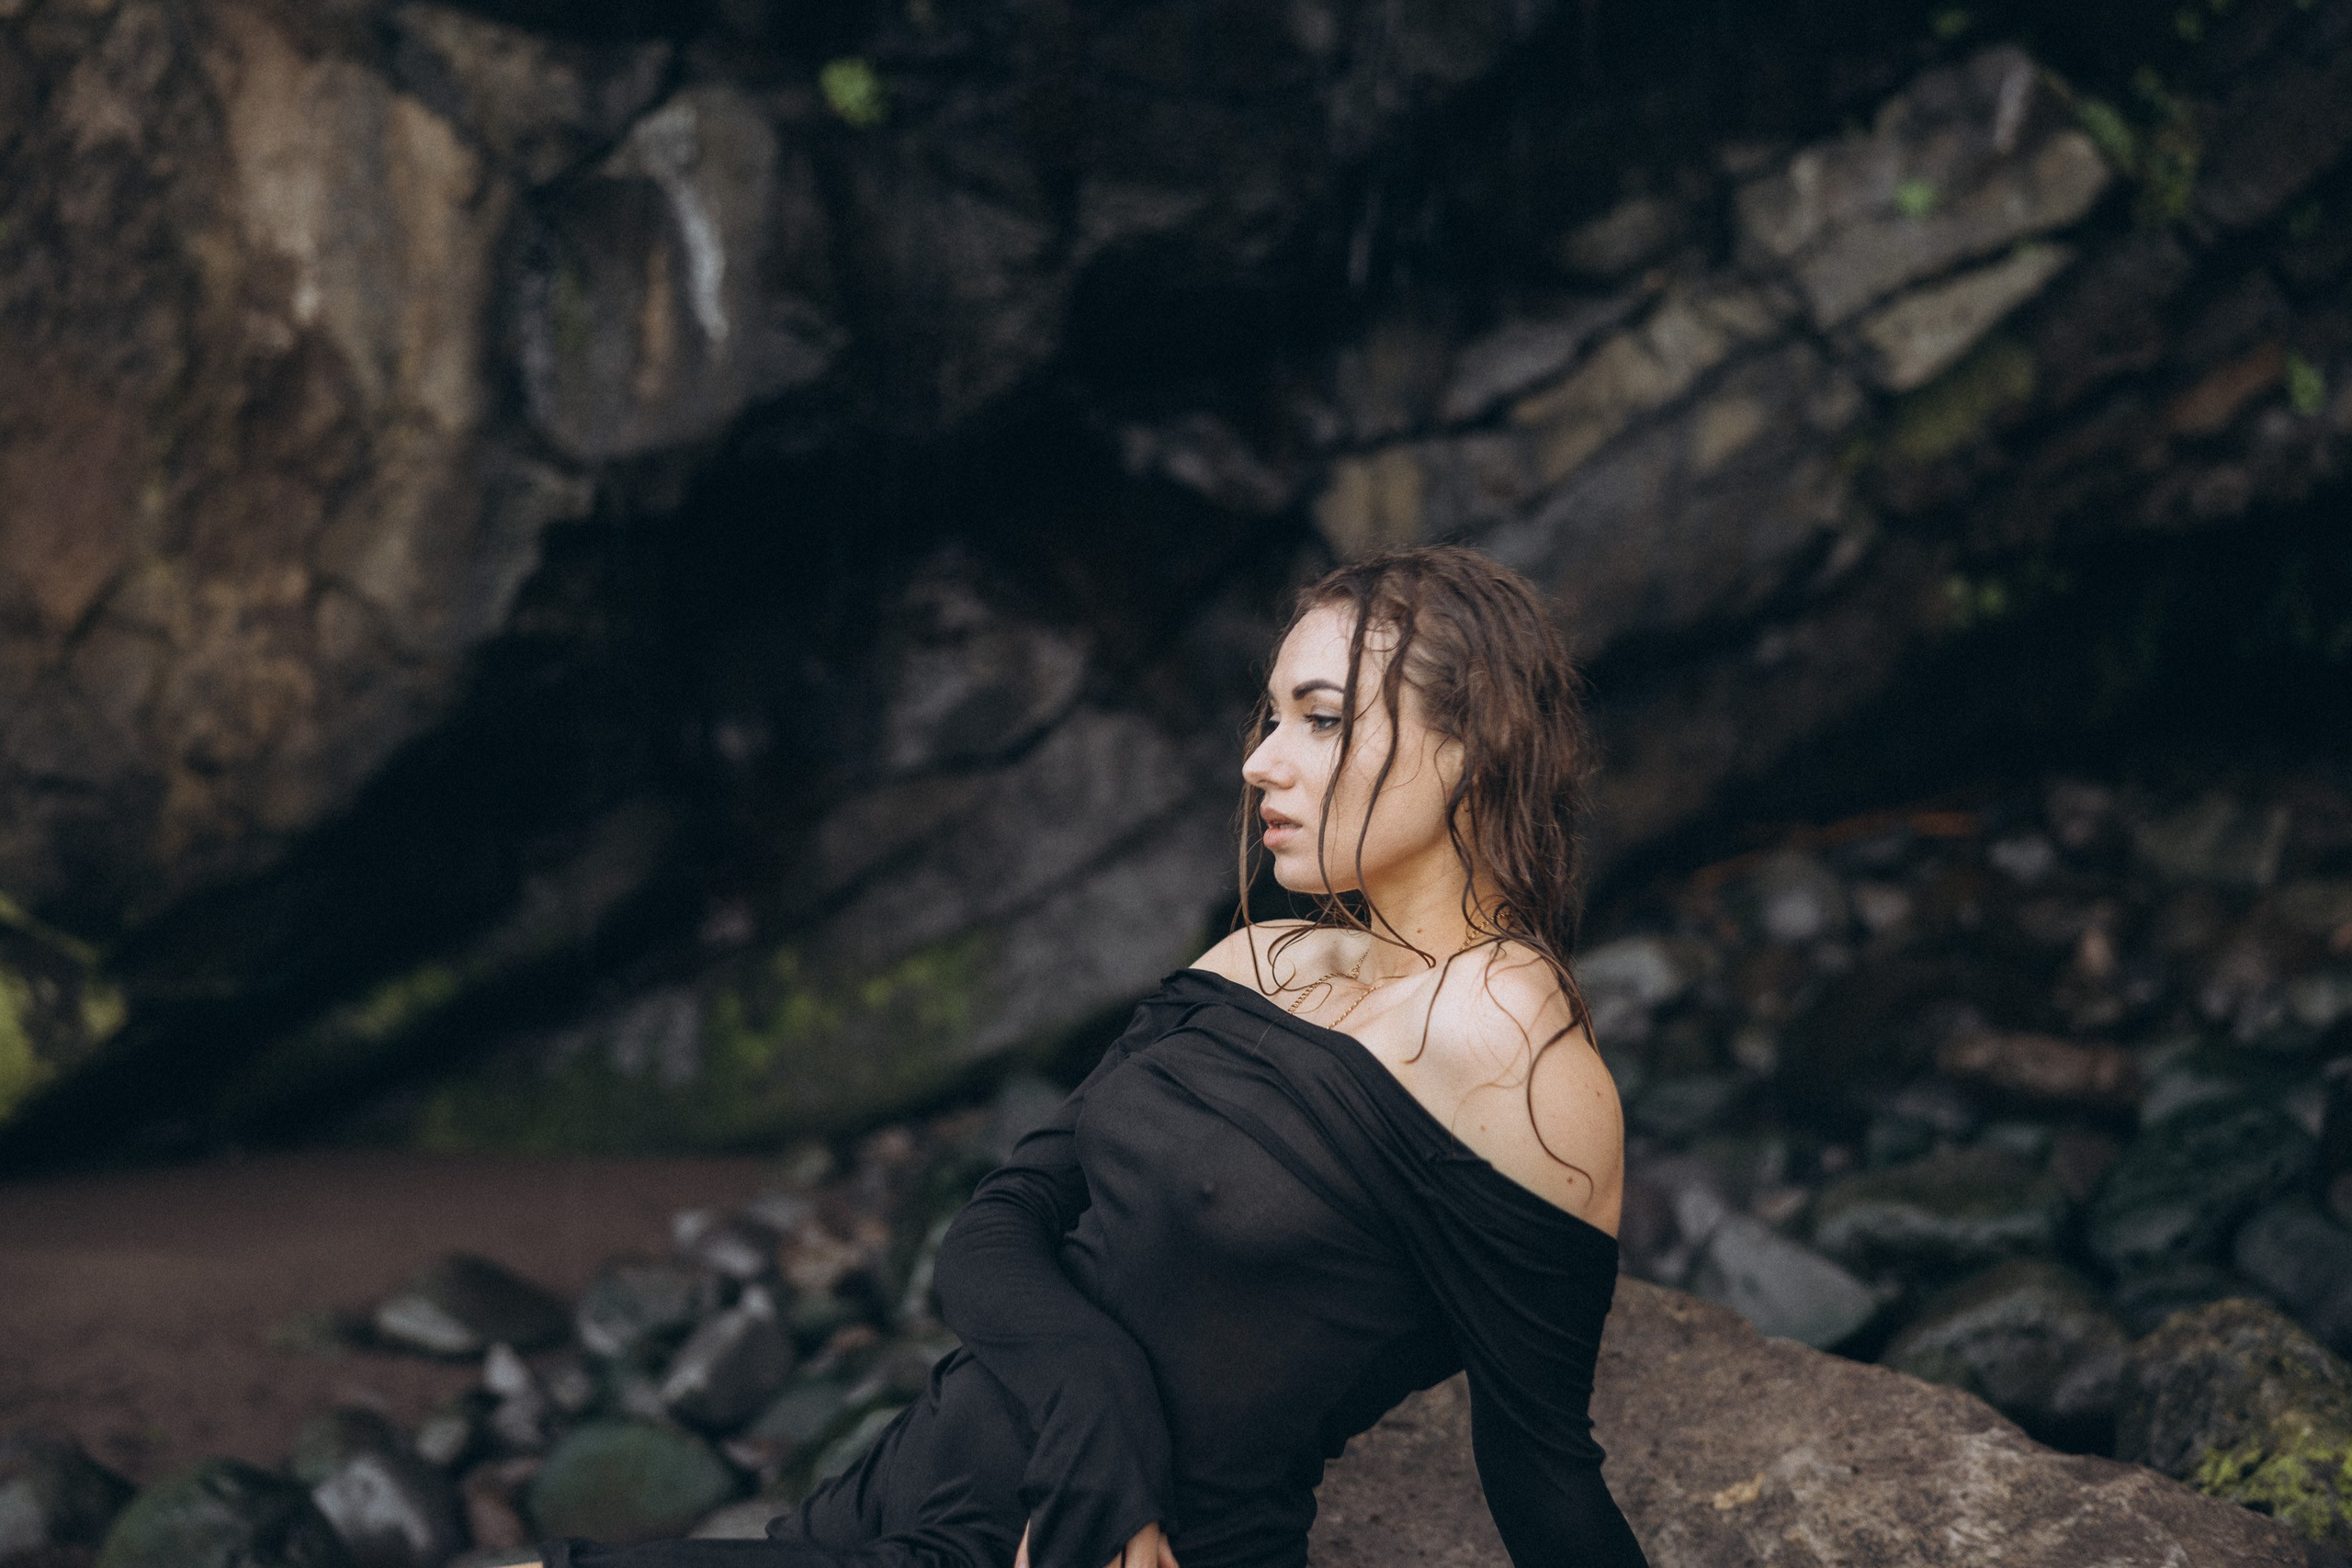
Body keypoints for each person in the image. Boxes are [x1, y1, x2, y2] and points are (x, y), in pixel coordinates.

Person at [537, 546, 1649, 1568]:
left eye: (1320, 720)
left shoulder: (1514, 1057)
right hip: (884, 1504)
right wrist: (1096, 1415)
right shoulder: (1262, 957)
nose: (1262, 763)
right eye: (1267, 720)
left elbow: (1542, 1469)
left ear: (1472, 746)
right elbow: (994, 1223)